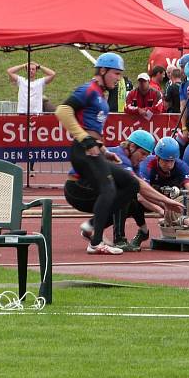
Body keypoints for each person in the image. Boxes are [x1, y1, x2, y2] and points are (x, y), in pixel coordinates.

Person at [54, 52, 139, 254]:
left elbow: (92, 127)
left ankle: (92, 225)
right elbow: (62, 111)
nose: (118, 79)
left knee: (131, 184)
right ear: (103, 70)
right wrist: (85, 140)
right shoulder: (88, 89)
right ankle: (96, 242)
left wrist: (104, 150)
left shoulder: (100, 94)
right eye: (116, 74)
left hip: (94, 151)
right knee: (108, 188)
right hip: (82, 150)